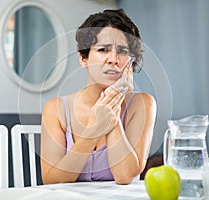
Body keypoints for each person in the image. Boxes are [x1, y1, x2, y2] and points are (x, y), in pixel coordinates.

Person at [40, 9, 157, 185]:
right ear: (83, 58)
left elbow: (125, 176)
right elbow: (52, 180)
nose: (113, 59)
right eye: (103, 50)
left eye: (123, 51)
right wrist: (95, 129)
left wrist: (112, 105)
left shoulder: (143, 104)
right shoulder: (55, 109)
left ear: (130, 63)